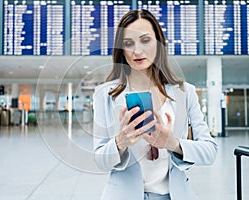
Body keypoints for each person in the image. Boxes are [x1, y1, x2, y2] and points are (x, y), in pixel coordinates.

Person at [93, 9, 217, 200]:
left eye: (145, 40)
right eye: (128, 43)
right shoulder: (105, 95)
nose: (137, 51)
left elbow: (210, 152)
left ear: (158, 43)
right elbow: (100, 160)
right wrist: (121, 142)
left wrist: (172, 143)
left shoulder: (185, 93)